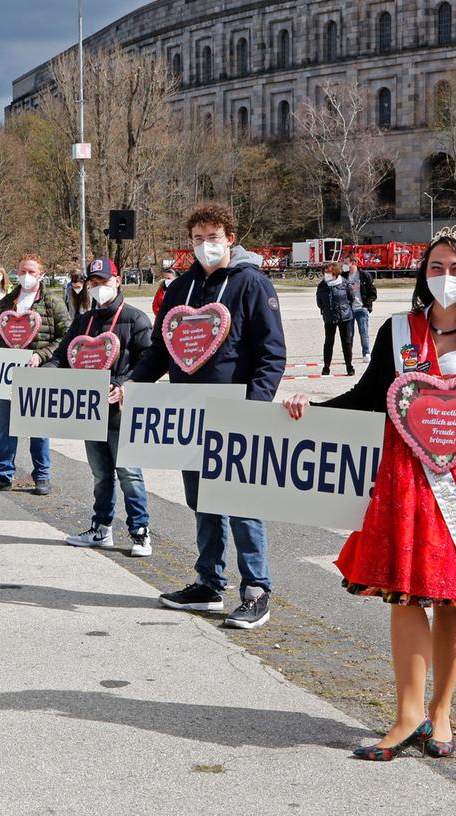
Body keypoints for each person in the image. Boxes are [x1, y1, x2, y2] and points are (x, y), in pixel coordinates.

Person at [283, 226, 456, 762]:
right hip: (401, 486)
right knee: (407, 595)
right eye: (436, 267)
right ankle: (407, 713)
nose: (446, 278)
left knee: (454, 598)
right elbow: (368, 398)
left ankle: (441, 712)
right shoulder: (398, 332)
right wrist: (309, 411)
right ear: (422, 273)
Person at [129, 202, 286, 629]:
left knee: (239, 501)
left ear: (230, 238)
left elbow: (272, 355)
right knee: (202, 501)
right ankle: (208, 582)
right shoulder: (180, 289)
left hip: (235, 413)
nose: (205, 246)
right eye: (197, 239)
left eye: (213, 237)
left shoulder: (252, 284)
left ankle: (256, 589)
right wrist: (130, 383)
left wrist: (255, 407)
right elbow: (160, 350)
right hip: (188, 416)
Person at [50, 258, 154, 556]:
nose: (98, 288)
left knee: (129, 474)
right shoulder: (85, 321)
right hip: (90, 410)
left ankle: (140, 532)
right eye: (93, 283)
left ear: (117, 281)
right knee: (100, 475)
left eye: (103, 282)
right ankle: (101, 529)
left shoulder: (135, 319)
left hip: (122, 411)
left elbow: (148, 361)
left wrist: (122, 384)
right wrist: (40, 371)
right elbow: (63, 354)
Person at [0, 253, 70, 495]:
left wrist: (42, 355)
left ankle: (42, 476)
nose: (26, 276)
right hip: (8, 373)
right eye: (22, 271)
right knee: (6, 425)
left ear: (42, 275)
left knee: (38, 426)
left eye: (31, 272)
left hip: (39, 373)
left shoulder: (52, 302)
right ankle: (4, 474)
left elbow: (66, 338)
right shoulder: (7, 302)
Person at [316, 261, 359, 376]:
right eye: (324, 272)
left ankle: (349, 366)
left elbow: (351, 298)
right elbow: (319, 302)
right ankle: (326, 367)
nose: (326, 275)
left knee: (346, 342)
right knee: (329, 342)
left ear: (335, 272)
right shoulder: (322, 286)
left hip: (345, 317)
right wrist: (326, 310)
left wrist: (344, 309)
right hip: (329, 318)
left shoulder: (344, 283)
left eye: (328, 272)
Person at [351, 259, 377, 362]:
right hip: (349, 310)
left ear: (354, 263)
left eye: (347, 263)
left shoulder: (364, 275)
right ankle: (349, 354)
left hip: (361, 308)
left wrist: (367, 306)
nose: (345, 265)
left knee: (364, 332)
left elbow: (373, 293)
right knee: (349, 335)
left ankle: (366, 353)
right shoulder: (343, 276)